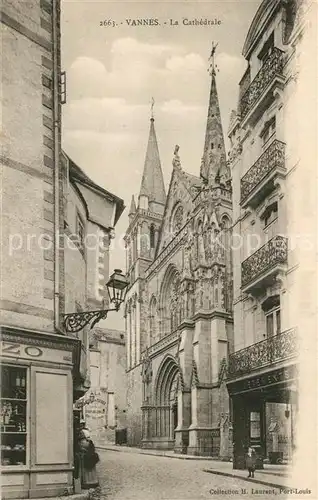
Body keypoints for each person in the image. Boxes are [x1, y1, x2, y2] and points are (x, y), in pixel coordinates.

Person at [77, 420, 99, 490]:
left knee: (86, 470)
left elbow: (87, 444)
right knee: (89, 470)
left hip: (86, 455)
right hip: (87, 454)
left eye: (82, 424)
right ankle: (92, 482)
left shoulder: (83, 434)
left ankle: (88, 482)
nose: (81, 426)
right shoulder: (84, 435)